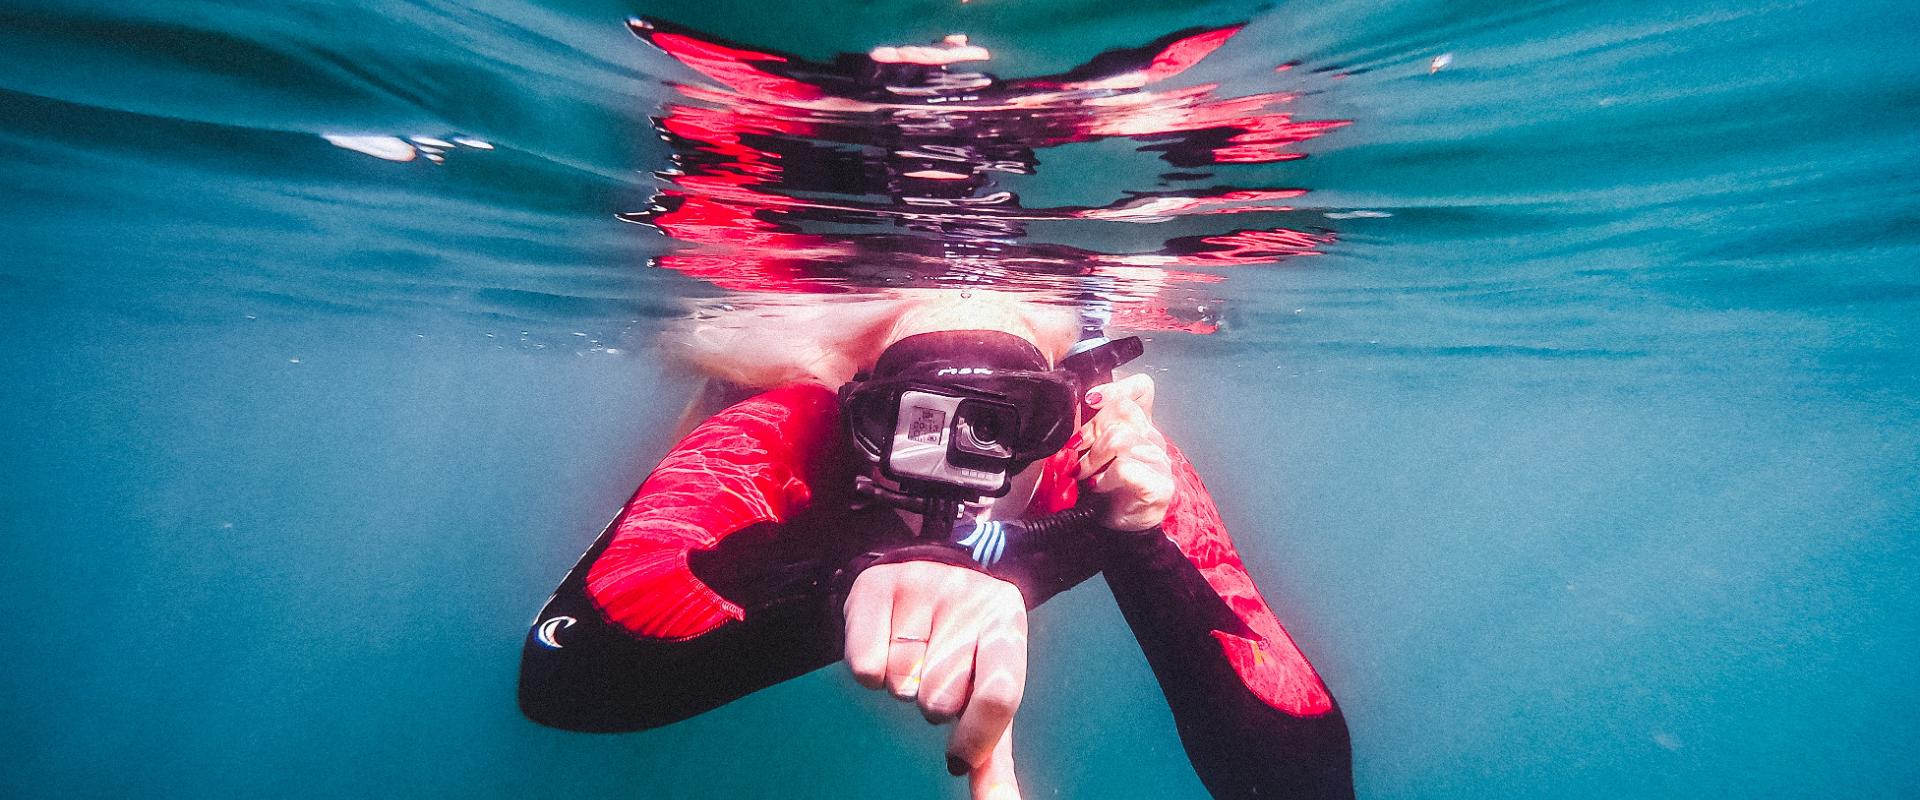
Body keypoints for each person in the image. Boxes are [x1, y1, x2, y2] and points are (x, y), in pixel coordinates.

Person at [519, 292, 1354, 799]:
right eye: (906, 427)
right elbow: (563, 681)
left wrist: (1130, 533)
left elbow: (1300, 782)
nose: (956, 471)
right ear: (858, 406)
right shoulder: (792, 425)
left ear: (1059, 415)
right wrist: (857, 570)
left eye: (1003, 428)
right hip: (780, 527)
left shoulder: (1101, 456)